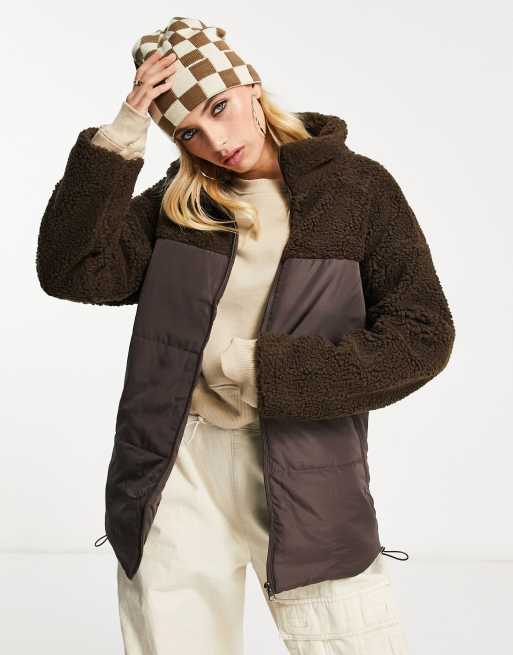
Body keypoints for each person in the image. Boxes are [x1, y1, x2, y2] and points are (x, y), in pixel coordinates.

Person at [36, 16, 455, 655]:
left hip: (305, 462)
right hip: (176, 465)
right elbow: (72, 270)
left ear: (250, 85)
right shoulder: (181, 202)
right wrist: (123, 131)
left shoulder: (357, 189)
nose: (216, 140)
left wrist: (267, 371)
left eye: (219, 107)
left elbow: (423, 334)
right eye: (188, 132)